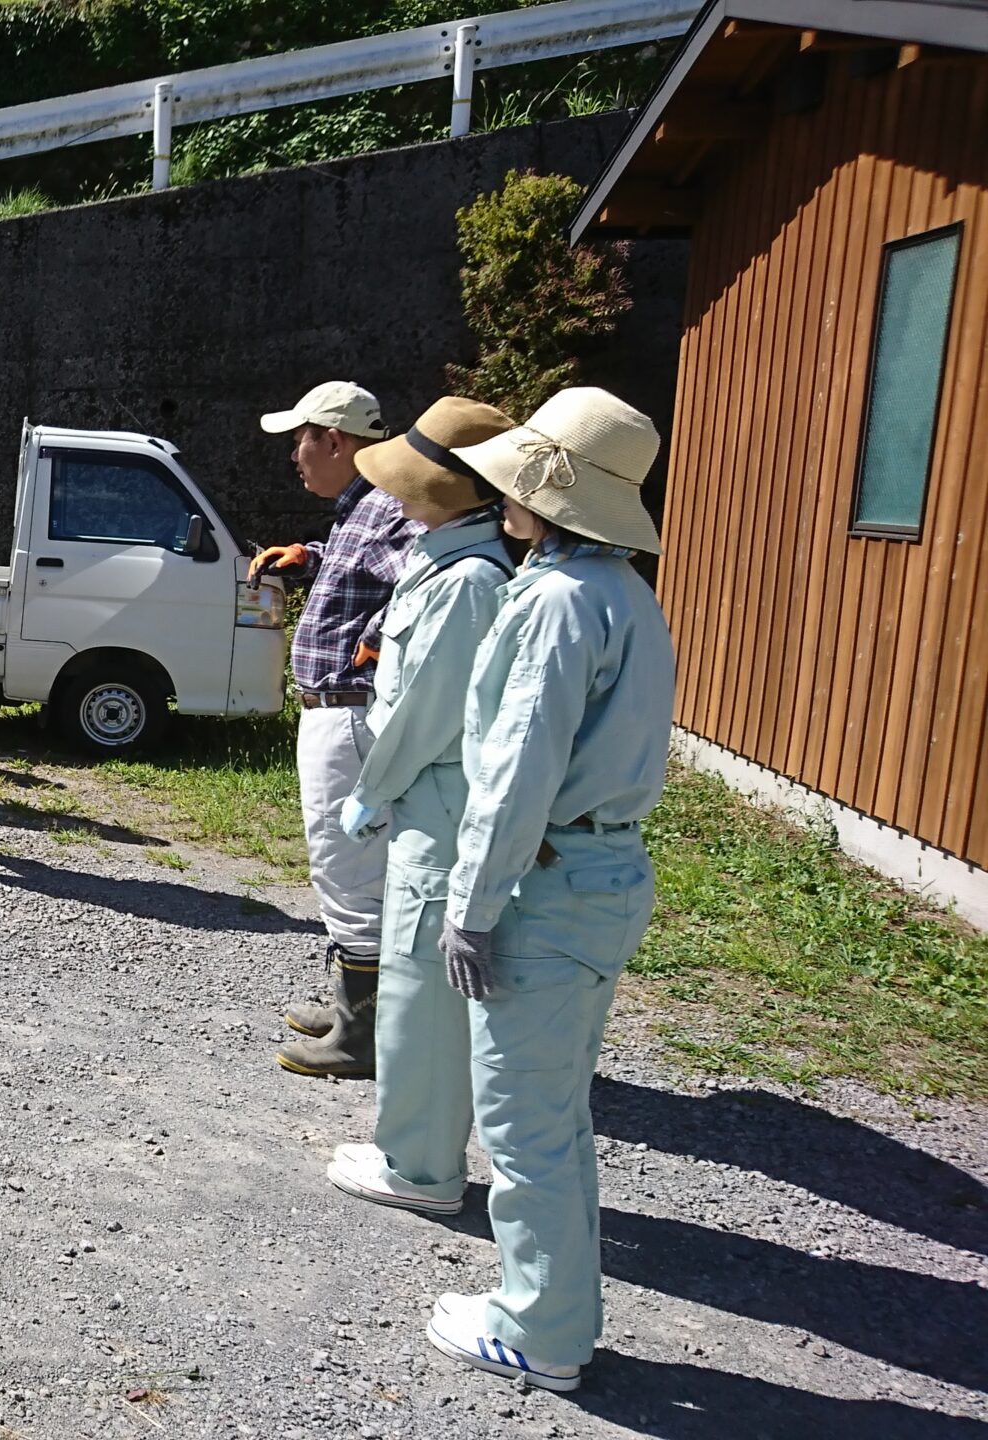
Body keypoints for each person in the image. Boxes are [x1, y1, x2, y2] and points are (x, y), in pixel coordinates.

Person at [418, 388, 672, 1392]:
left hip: (549, 881)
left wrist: (470, 908)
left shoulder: (561, 600)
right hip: (598, 873)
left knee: (523, 1121)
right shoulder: (618, 591)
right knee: (555, 1111)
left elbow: (519, 769)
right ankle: (549, 1305)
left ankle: (542, 1330)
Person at [309, 398, 517, 1220]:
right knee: (410, 978)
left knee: (423, 987)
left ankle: (421, 1165)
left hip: (434, 797)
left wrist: (372, 790)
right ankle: (410, 1141)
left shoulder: (470, 578)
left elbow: (421, 711)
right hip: (425, 801)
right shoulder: (451, 558)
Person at [252, 380, 419, 1080]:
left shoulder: (386, 510)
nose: (295, 454)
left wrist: (383, 636)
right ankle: (353, 1003)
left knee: (346, 867)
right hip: (335, 710)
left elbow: (426, 575)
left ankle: (361, 1032)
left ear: (339, 442)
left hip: (348, 712)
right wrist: (312, 558)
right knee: (346, 863)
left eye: (303, 439)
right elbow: (372, 570)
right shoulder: (361, 510)